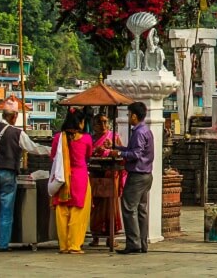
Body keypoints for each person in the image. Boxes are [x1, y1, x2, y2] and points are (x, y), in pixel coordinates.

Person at [0, 99, 50, 251]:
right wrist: (51, 149)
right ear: (15, 116)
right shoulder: (18, 133)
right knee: (6, 210)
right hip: (9, 174)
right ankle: (2, 245)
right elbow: (33, 148)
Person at [110, 102, 153, 254]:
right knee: (141, 209)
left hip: (137, 174)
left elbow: (136, 154)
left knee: (129, 207)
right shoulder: (145, 130)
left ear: (134, 116)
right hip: (146, 174)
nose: (128, 117)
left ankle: (134, 242)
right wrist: (117, 149)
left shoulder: (139, 132)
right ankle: (141, 242)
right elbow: (133, 149)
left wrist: (120, 154)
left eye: (129, 115)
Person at [51, 108, 93, 254]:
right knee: (78, 211)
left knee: (62, 211)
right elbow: (89, 155)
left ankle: (64, 245)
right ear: (81, 122)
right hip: (80, 176)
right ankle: (75, 245)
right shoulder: (86, 138)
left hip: (62, 177)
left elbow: (53, 156)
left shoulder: (58, 137)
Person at [89, 112, 124, 246]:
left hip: (110, 175)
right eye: (99, 123)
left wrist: (111, 149)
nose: (103, 125)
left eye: (105, 122)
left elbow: (121, 157)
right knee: (95, 205)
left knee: (111, 206)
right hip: (95, 175)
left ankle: (111, 237)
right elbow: (86, 155)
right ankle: (95, 236)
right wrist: (95, 151)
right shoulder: (90, 139)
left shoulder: (114, 137)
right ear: (94, 125)